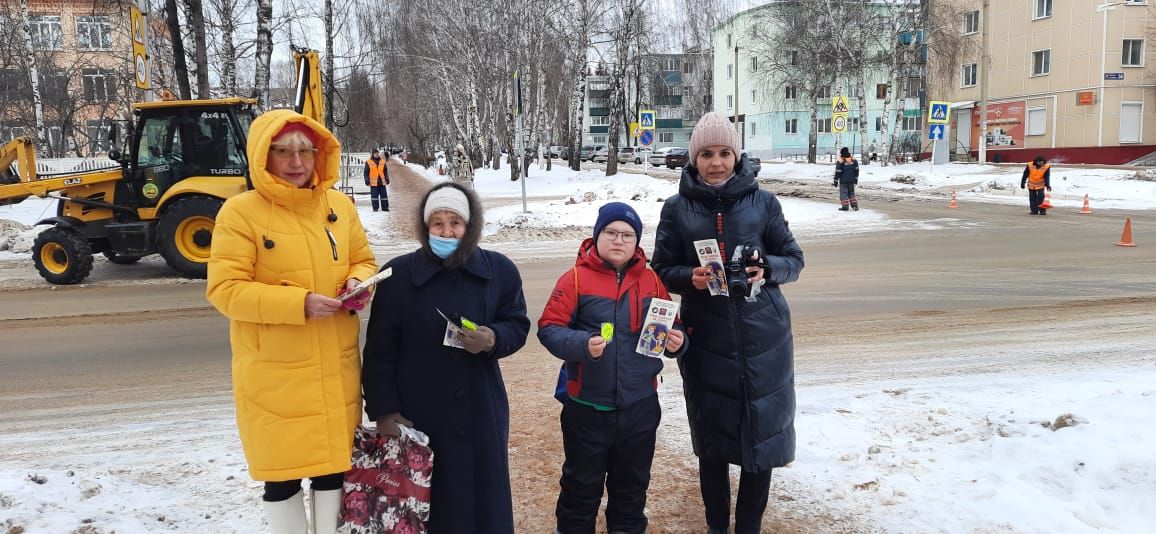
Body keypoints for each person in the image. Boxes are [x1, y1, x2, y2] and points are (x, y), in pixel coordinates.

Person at [206, 110, 378, 534]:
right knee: (281, 479)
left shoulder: (338, 206)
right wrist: (298, 303)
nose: (296, 162)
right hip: (274, 377)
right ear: (263, 155)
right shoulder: (239, 213)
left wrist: (358, 281)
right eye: (283, 151)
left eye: (305, 151)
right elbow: (225, 290)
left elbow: (362, 258)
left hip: (334, 370)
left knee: (334, 474)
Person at [651, 112, 805, 534]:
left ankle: (748, 527)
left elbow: (794, 260)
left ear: (737, 156)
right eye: (706, 154)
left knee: (763, 435)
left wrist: (767, 269)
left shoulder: (764, 203)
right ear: (693, 158)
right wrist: (690, 277)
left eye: (723, 153)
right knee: (713, 439)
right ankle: (717, 525)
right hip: (706, 335)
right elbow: (660, 268)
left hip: (765, 337)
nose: (716, 162)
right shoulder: (677, 208)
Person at [362, 182, 530, 533]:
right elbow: (379, 351)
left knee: (483, 503)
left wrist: (491, 339)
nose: (446, 231)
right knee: (427, 505)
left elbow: (517, 324)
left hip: (480, 410)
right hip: (420, 415)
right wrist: (385, 411)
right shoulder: (398, 277)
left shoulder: (499, 271)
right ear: (426, 228)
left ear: (470, 227)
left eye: (455, 222)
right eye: (437, 223)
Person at [538, 202, 687, 534]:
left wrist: (679, 343)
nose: (619, 241)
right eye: (611, 233)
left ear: (637, 242)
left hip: (640, 408)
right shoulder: (575, 279)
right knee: (580, 491)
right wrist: (581, 345)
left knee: (631, 493)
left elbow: (673, 327)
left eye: (627, 235)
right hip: (587, 408)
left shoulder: (651, 280)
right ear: (597, 236)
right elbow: (549, 328)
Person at [834, 146, 860, 211]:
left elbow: (838, 172)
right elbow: (857, 170)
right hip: (851, 180)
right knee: (851, 193)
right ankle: (855, 206)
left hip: (843, 181)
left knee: (843, 193)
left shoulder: (840, 161)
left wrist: (836, 180)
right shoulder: (854, 160)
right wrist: (856, 179)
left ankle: (845, 207)